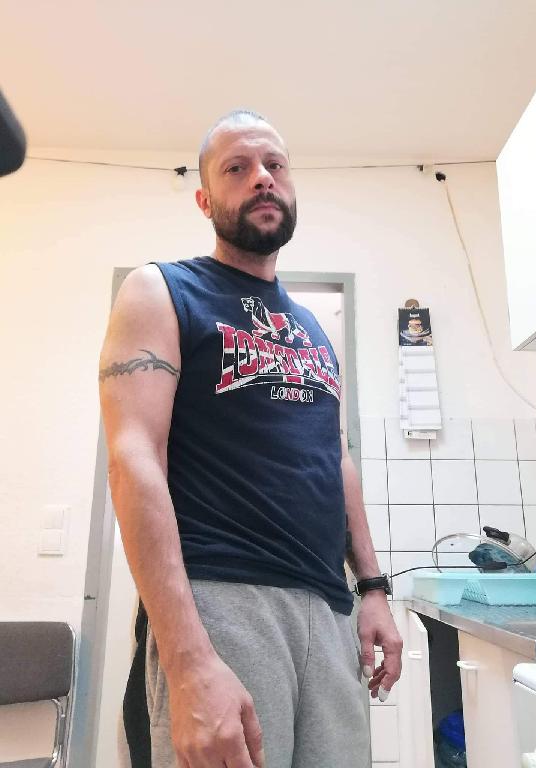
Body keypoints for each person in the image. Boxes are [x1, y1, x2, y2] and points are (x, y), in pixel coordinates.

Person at [98, 109, 402, 768]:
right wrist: (187, 659)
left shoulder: (314, 330)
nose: (262, 177)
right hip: (222, 599)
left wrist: (372, 588)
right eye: (237, 168)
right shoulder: (161, 289)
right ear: (206, 200)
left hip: (329, 611)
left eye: (275, 165)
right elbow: (133, 456)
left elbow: (335, 458)